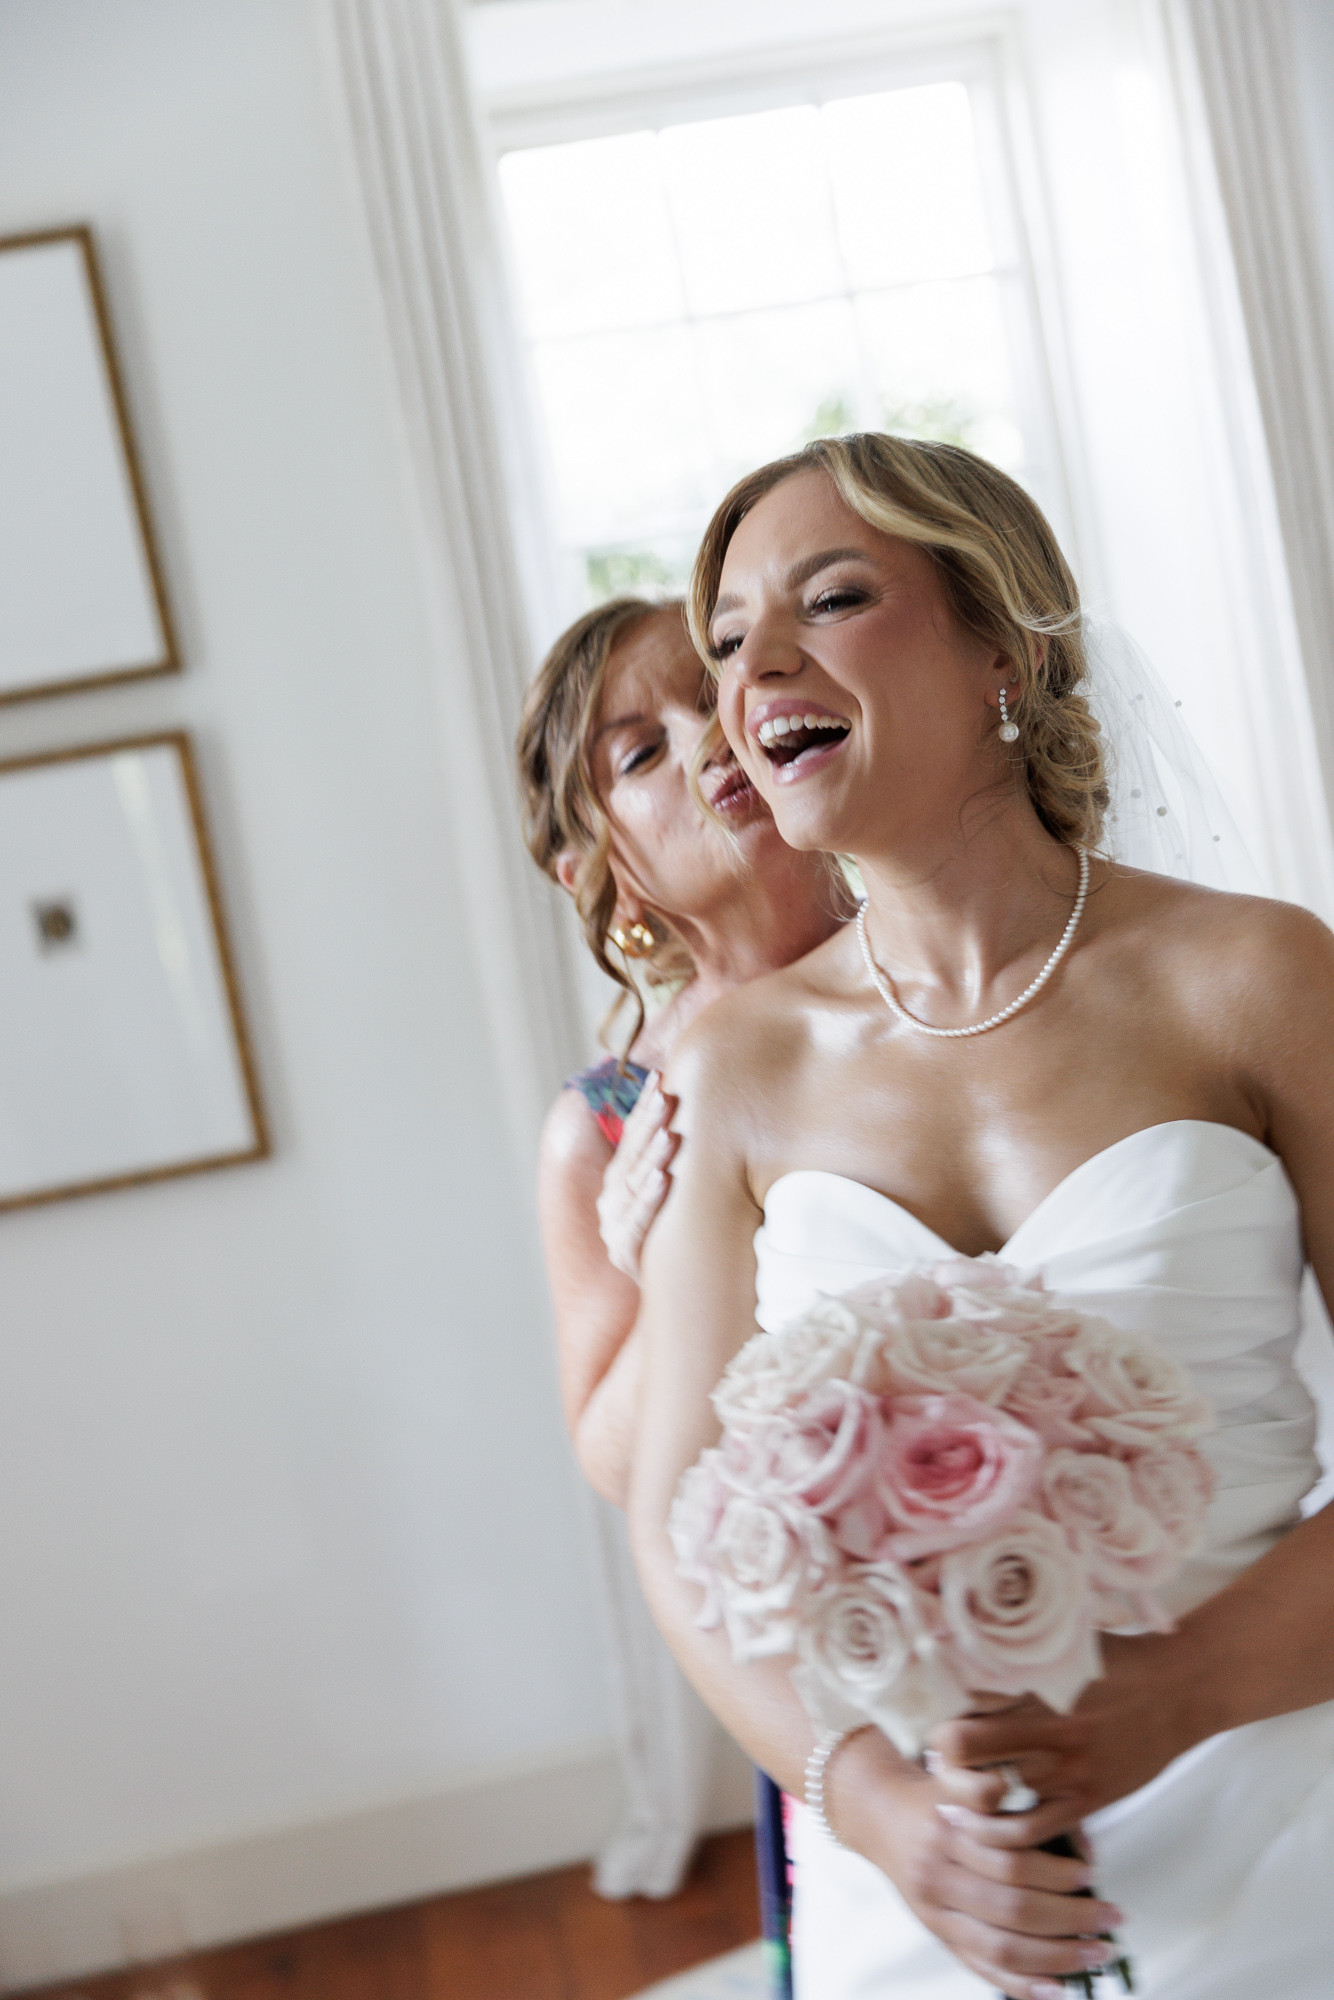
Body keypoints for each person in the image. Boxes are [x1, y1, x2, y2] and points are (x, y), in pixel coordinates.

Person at [627, 432, 1334, 2000]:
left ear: (1000, 647)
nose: (760, 668)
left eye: (830, 598)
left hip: (1280, 1798)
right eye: (731, 638)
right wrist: (876, 1809)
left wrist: (1178, 1693)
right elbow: (675, 1522)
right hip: (935, 1864)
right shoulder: (731, 1063)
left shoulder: (1257, 978)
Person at [517, 594, 848, 1986]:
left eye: (704, 696)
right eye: (635, 753)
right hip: (824, 1602)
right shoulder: (601, 1122)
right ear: (606, 870)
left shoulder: (938, 971)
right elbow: (608, 1451)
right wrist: (666, 1266)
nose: (700, 743)